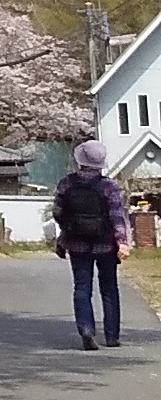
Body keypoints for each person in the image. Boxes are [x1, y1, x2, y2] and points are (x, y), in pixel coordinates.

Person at [51, 139, 130, 349]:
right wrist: (122, 242)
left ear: (80, 161)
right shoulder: (109, 186)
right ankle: (112, 336)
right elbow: (117, 216)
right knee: (109, 288)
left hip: (76, 243)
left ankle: (86, 329)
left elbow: (58, 212)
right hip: (106, 244)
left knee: (82, 287)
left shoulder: (67, 183)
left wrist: (68, 230)